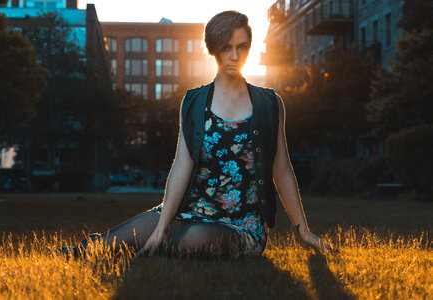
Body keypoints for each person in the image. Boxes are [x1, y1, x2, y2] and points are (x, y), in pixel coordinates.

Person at [58, 10, 336, 260]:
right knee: (108, 244)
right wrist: (162, 224)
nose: (235, 56)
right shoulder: (193, 102)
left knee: (191, 242)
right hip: (191, 210)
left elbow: (282, 168)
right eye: (226, 48)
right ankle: (100, 248)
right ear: (213, 49)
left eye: (242, 47)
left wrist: (303, 231)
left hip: (240, 224)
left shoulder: (269, 103)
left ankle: (169, 244)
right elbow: (182, 164)